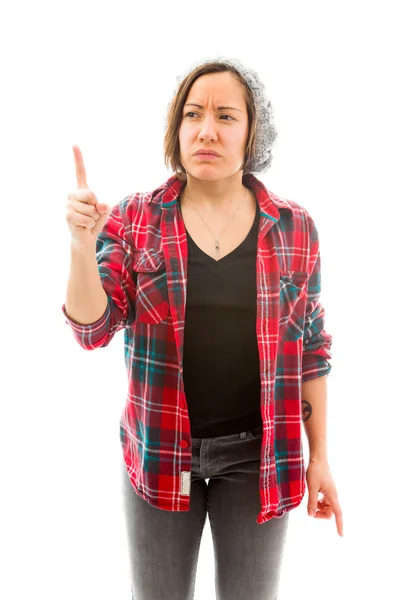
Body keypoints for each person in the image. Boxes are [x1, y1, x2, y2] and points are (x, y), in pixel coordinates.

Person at [62, 56, 342, 600]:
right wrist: (79, 248)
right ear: (177, 128)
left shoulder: (294, 227)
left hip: (260, 457)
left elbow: (312, 350)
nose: (206, 129)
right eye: (193, 114)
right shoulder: (135, 219)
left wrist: (321, 456)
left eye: (225, 115)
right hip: (160, 452)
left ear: (252, 132)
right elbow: (92, 329)